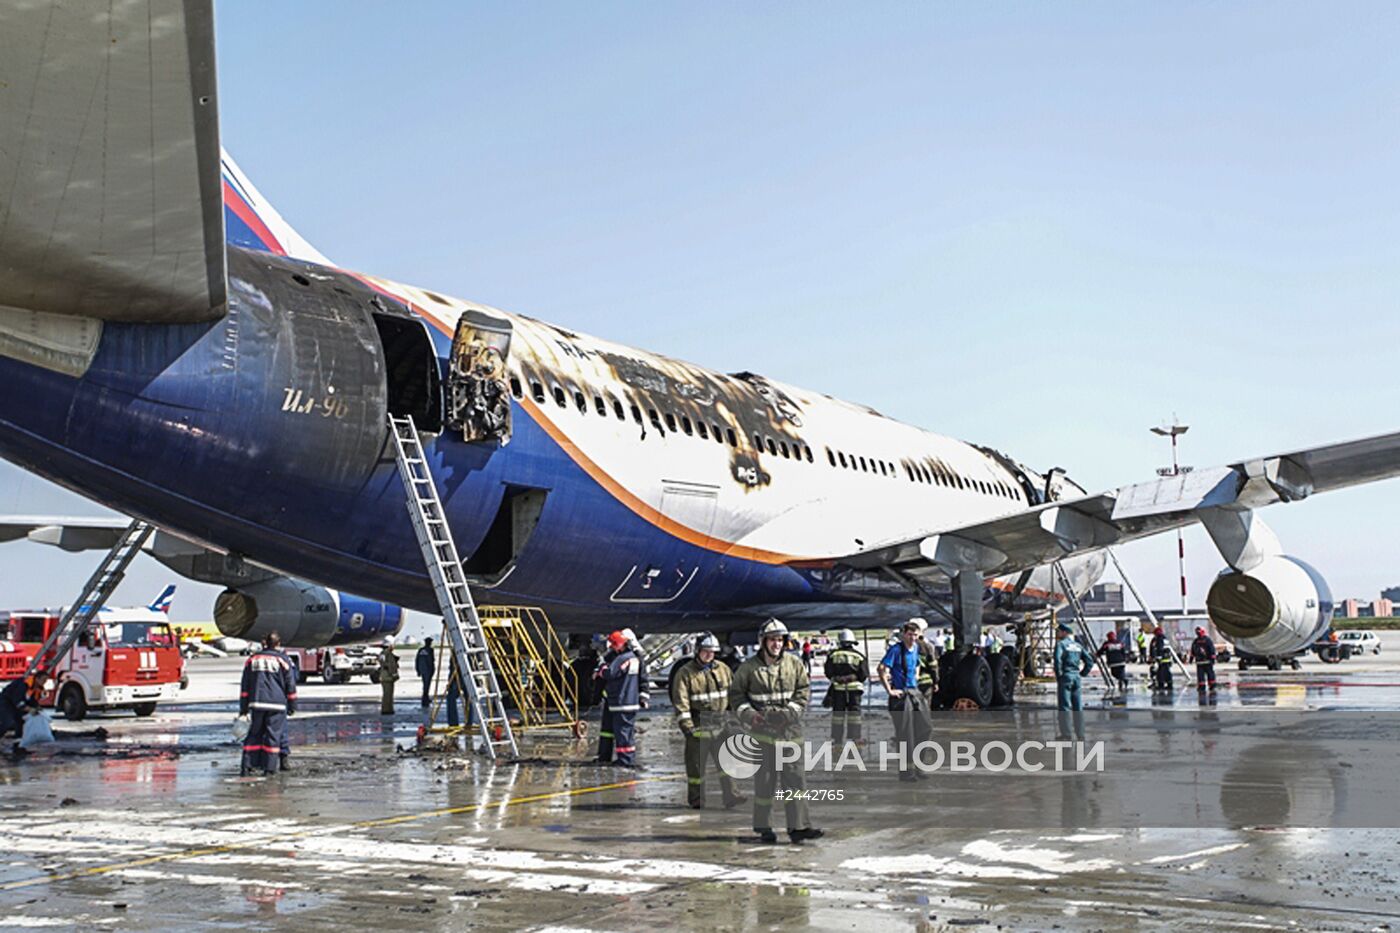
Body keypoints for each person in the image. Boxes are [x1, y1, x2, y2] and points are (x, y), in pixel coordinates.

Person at [730, 618, 823, 844]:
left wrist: (789, 713)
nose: (777, 644)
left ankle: (799, 827)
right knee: (765, 785)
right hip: (763, 736)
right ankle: (764, 828)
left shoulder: (795, 664)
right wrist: (753, 717)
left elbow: (803, 691)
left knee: (796, 782)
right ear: (763, 642)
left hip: (790, 734)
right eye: (772, 640)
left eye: (780, 640)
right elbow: (736, 697)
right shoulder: (748, 668)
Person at [673, 632, 745, 809]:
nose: (709, 655)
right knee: (696, 766)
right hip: (699, 724)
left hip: (721, 722)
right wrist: (688, 727)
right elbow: (681, 702)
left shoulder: (723, 669)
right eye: (705, 651)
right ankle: (697, 798)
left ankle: (732, 796)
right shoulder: (685, 673)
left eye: (712, 652)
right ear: (697, 651)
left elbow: (733, 694)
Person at [239, 632, 297, 776]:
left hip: (256, 703)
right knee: (273, 736)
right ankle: (269, 769)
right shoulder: (283, 660)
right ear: (278, 643)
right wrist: (292, 704)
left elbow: (245, 685)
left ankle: (247, 765)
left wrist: (243, 707)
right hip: (276, 704)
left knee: (254, 735)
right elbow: (290, 684)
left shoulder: (252, 659)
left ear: (265, 643)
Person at [879, 620, 928, 782]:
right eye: (910, 634)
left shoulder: (916, 649)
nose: (913, 638)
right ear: (903, 634)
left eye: (916, 634)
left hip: (915, 692)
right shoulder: (896, 650)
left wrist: (916, 678)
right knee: (906, 733)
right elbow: (881, 668)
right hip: (901, 696)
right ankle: (906, 772)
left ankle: (918, 766)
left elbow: (917, 665)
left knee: (925, 728)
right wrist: (890, 690)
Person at [599, 630, 642, 767]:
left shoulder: (623, 658)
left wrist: (601, 667)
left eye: (613, 645)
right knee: (626, 733)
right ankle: (626, 758)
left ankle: (625, 760)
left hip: (622, 702)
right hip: (629, 701)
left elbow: (610, 673)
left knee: (622, 733)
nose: (612, 648)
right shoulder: (634, 658)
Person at [823, 629, 868, 745]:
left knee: (838, 715)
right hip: (855, 690)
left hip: (838, 690)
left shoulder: (833, 655)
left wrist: (838, 678)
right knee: (855, 714)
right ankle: (855, 737)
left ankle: (837, 739)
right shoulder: (859, 656)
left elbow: (828, 672)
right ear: (852, 642)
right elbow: (864, 674)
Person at [1053, 622, 1093, 740]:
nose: (1057, 633)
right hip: (1076, 677)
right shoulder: (1077, 645)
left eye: (1059, 631)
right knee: (1078, 706)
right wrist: (1083, 673)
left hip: (1066, 676)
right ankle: (1080, 734)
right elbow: (1089, 661)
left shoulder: (1061, 645)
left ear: (1064, 632)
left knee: (1064, 706)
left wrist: (1059, 675)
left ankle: (1066, 734)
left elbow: (1057, 660)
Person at [1189, 627, 1218, 693]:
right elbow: (1193, 651)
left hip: (1206, 661)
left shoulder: (1205, 640)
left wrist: (1212, 658)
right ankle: (1205, 686)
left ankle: (1210, 685)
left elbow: (1211, 650)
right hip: (1201, 662)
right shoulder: (1198, 641)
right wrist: (1191, 659)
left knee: (1208, 674)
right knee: (1202, 675)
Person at [378, 636, 399, 716]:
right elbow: (391, 666)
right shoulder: (388, 654)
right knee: (388, 694)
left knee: (386, 694)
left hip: (384, 676)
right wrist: (394, 675)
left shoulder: (382, 653)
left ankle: (388, 709)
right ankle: (387, 710)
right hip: (388, 676)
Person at [1149, 626, 1174, 691]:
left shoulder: (1158, 639)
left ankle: (1161, 685)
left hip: (1162, 659)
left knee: (1160, 673)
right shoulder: (1165, 638)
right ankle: (1169, 684)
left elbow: (1159, 648)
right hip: (1167, 658)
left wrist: (1156, 657)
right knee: (1167, 673)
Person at [415, 637, 435, 708]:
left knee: (425, 685)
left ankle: (425, 698)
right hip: (428, 670)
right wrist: (432, 670)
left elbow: (417, 660)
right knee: (426, 685)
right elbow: (432, 661)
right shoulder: (430, 650)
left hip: (422, 670)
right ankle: (425, 700)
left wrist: (417, 670)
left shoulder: (421, 650)